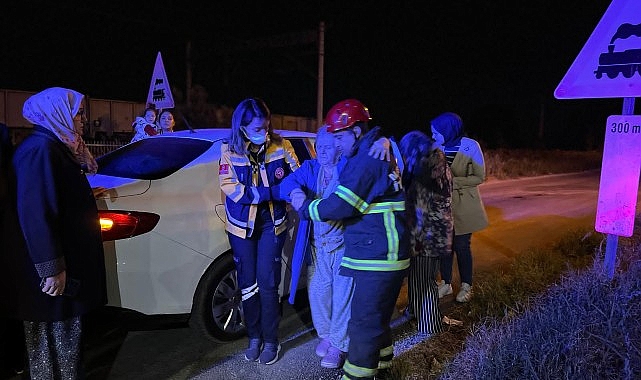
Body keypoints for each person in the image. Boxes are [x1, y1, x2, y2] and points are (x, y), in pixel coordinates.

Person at [294, 99, 408, 380]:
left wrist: (305, 206)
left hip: (378, 255)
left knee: (363, 326)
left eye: (341, 137)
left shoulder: (366, 159)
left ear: (357, 131)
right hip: (380, 252)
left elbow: (341, 206)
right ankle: (383, 370)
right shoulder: (372, 150)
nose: (338, 145)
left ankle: (356, 375)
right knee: (377, 322)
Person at [3, 87, 107, 379]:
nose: (83, 120)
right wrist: (52, 268)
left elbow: (55, 196)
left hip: (61, 269)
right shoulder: (41, 149)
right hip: (52, 275)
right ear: (58, 114)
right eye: (78, 114)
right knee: (53, 348)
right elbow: (35, 213)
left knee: (63, 344)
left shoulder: (53, 145)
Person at [218, 97, 300, 365]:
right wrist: (271, 193)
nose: (262, 132)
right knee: (247, 285)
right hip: (242, 226)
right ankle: (254, 337)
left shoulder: (281, 146)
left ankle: (271, 340)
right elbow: (231, 188)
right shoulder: (229, 150)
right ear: (241, 126)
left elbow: (296, 176)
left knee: (268, 284)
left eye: (264, 126)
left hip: (271, 224)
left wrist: (291, 192)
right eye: (255, 127)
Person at [274, 126, 352, 369]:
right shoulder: (311, 168)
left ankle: (340, 345)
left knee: (342, 297)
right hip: (318, 247)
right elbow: (285, 185)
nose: (322, 151)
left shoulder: (347, 169)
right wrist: (296, 192)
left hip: (343, 246)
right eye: (319, 146)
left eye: (328, 147)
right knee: (318, 293)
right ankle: (327, 336)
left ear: (339, 147)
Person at [398, 130, 453, 335]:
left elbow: (419, 205)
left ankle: (430, 324)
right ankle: (415, 310)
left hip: (426, 234)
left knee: (425, 280)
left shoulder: (425, 169)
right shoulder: (435, 162)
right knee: (418, 276)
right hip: (433, 231)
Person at [431, 112, 488, 303]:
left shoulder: (470, 146)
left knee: (462, 246)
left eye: (436, 133)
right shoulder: (436, 147)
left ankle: (466, 285)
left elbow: (479, 177)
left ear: (447, 130)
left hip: (464, 204)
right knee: (445, 247)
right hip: (441, 206)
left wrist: (452, 181)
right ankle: (445, 283)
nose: (433, 137)